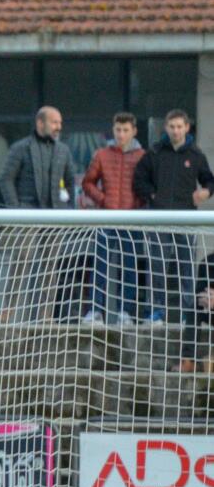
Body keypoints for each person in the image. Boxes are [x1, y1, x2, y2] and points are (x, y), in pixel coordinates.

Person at [134, 109, 214, 328]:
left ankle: (188, 315)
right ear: (166, 128)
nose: (176, 131)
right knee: (157, 267)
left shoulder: (196, 155)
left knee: (186, 268)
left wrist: (205, 192)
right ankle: (155, 313)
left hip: (186, 220)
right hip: (159, 219)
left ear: (187, 127)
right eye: (172, 126)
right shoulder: (154, 153)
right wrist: (153, 196)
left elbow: (209, 181)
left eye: (179, 126)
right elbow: (139, 180)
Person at [0, 106, 74, 322]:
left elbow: (70, 182)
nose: (59, 127)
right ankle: (8, 311)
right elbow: (5, 179)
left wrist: (68, 209)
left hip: (54, 215)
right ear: (40, 123)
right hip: (26, 212)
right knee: (21, 260)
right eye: (55, 122)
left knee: (50, 266)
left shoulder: (63, 151)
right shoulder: (20, 148)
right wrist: (16, 208)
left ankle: (46, 315)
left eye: (60, 122)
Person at [80, 112, 145, 323]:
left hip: (131, 219)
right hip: (107, 217)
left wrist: (138, 204)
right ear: (113, 130)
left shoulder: (142, 156)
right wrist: (103, 199)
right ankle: (95, 310)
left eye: (126, 130)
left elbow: (148, 185)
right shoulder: (102, 154)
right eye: (118, 130)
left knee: (129, 267)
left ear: (134, 131)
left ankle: (125, 312)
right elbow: (87, 182)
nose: (121, 134)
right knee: (100, 265)